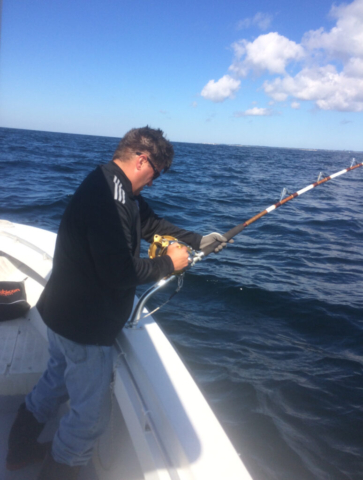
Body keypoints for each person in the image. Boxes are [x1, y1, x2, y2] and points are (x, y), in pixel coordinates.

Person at [6, 126, 230, 479]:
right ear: (142, 160)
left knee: (54, 382)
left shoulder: (112, 184)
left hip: (62, 314)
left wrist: (199, 241)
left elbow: (150, 222)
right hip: (84, 327)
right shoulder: (107, 199)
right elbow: (118, 272)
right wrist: (169, 263)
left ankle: (18, 453)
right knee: (89, 422)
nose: (154, 182)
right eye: (156, 173)